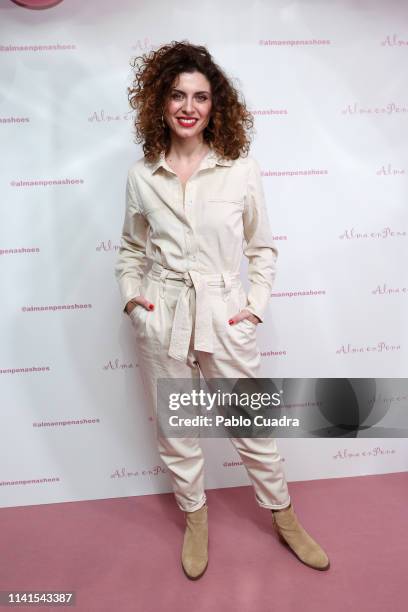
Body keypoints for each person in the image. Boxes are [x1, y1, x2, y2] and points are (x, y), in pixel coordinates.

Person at [114, 40, 330, 578]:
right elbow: (131, 249)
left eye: (201, 97)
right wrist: (133, 299)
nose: (189, 106)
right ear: (160, 102)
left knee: (250, 424)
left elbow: (262, 248)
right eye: (178, 95)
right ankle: (196, 519)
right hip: (163, 313)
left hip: (224, 312)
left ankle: (284, 517)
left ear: (216, 106)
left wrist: (253, 307)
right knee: (177, 428)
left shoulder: (240, 168)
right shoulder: (143, 174)